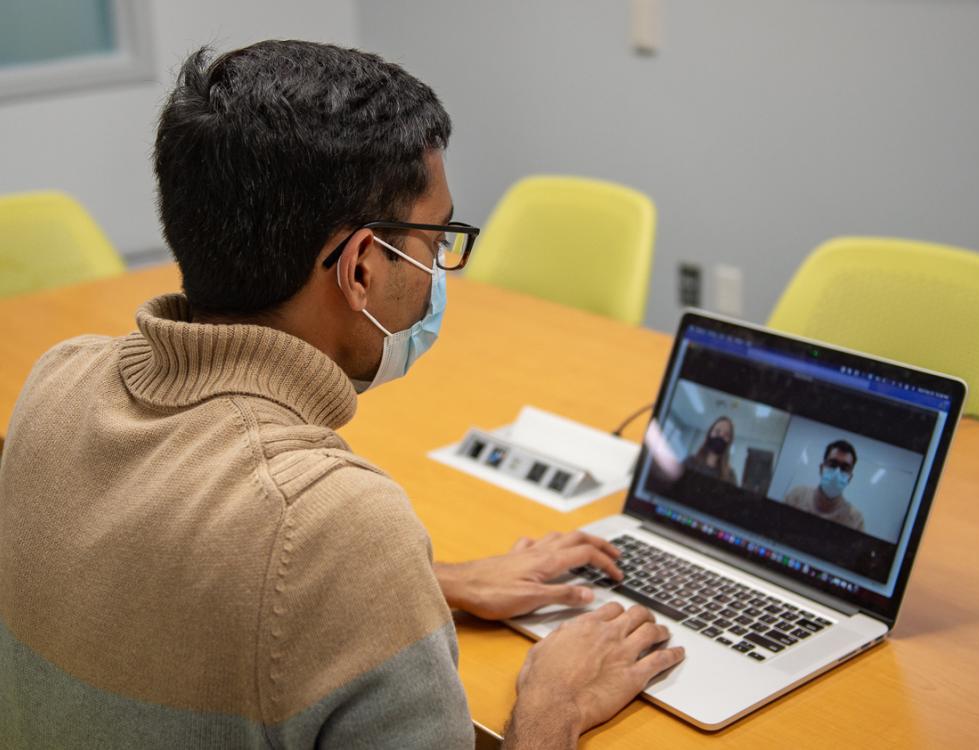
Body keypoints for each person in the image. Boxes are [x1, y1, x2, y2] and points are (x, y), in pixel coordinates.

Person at [0, 41, 684, 749]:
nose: (439, 269)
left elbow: (175, 565)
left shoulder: (57, 382)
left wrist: (429, 581)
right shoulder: (336, 524)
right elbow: (282, 550)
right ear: (360, 269)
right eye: (435, 239)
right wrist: (554, 704)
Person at [783, 440, 865, 531]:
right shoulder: (796, 495)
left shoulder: (855, 519)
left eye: (845, 468)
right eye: (833, 464)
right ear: (821, 468)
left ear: (850, 478)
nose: (837, 473)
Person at [683, 416, 738, 484]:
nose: (720, 436)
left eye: (726, 434)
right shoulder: (690, 462)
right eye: (717, 431)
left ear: (729, 442)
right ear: (710, 434)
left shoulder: (730, 476)